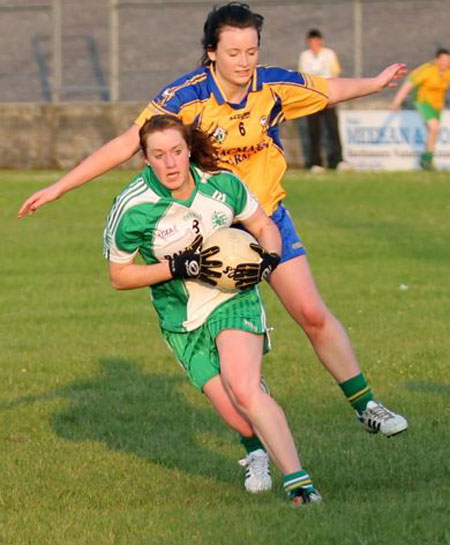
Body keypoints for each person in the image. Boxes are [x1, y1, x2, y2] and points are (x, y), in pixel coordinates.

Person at [18, 2, 408, 492]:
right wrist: (58, 187)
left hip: (264, 218)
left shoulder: (273, 87)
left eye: (251, 51)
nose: (244, 62)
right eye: (233, 52)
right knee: (230, 372)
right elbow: (127, 143)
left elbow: (329, 91)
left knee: (310, 310)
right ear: (211, 54)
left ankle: (366, 405)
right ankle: (257, 453)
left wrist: (374, 82)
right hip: (206, 232)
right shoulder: (186, 97)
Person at [104, 113, 321, 506]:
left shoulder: (222, 184)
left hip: (232, 300)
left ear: (188, 149)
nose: (170, 163)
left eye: (176, 151)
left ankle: (300, 485)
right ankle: (256, 448)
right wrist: (176, 266)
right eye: (158, 155)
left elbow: (263, 225)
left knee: (243, 387)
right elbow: (119, 276)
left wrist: (268, 259)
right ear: (145, 158)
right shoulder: (133, 207)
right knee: (235, 411)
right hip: (181, 318)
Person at [390, 48, 450, 170]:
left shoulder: (448, 72)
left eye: (448, 61)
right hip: (422, 102)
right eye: (443, 60)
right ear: (436, 60)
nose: (446, 63)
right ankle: (426, 159)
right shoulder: (426, 70)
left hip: (437, 106)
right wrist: (397, 101)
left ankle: (428, 160)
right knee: (434, 127)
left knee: (433, 132)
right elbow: (408, 84)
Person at [298, 28, 347, 172]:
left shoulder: (329, 54)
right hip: (311, 98)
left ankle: (337, 160)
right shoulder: (305, 56)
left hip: (328, 95)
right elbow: (302, 77)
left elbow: (336, 74)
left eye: (316, 41)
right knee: (314, 131)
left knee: (333, 129)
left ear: (321, 41)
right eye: (311, 41)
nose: (314, 43)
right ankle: (315, 162)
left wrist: (336, 95)